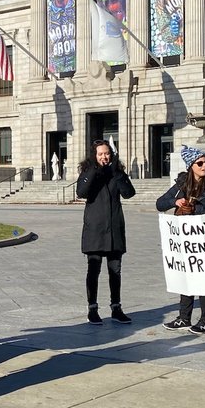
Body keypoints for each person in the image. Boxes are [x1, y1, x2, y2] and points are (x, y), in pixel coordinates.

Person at [157, 146, 205, 334]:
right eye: (200, 163)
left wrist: (196, 210)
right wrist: (176, 202)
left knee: (204, 279)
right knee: (186, 277)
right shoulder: (182, 184)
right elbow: (159, 203)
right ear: (191, 166)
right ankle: (184, 317)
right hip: (185, 240)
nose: (204, 166)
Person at [77, 139, 136, 325]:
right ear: (94, 156)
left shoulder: (116, 173)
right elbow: (82, 192)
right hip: (95, 229)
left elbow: (129, 193)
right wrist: (96, 170)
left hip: (114, 229)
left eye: (107, 153)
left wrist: (117, 173)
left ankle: (116, 307)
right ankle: (92, 308)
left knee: (115, 271)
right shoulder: (88, 172)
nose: (104, 156)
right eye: (100, 154)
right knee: (93, 269)